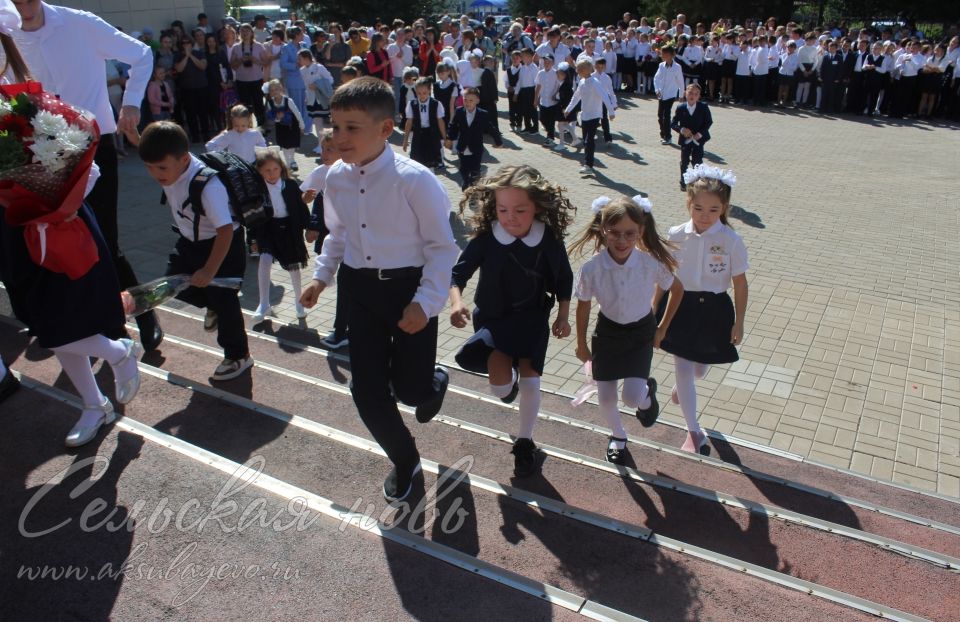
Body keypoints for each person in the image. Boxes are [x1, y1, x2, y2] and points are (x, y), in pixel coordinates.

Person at [299, 77, 459, 503]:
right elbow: (337, 235)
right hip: (360, 293)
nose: (339, 138)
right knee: (366, 391)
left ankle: (431, 383)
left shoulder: (416, 181)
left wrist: (425, 304)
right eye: (334, 127)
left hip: (409, 292)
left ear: (386, 129)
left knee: (411, 391)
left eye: (352, 127)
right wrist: (321, 277)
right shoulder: (335, 177)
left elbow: (443, 248)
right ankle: (405, 461)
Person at [11, 0, 163, 352]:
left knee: (104, 239)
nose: (23, 6)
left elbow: (141, 55)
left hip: (94, 148)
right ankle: (85, 324)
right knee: (54, 242)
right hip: (41, 157)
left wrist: (130, 103)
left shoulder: (80, 24)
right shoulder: (5, 33)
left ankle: (142, 316)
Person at [449, 165, 574, 478]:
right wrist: (457, 302)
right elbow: (457, 274)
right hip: (493, 319)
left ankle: (525, 441)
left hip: (532, 318)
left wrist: (563, 315)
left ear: (537, 207)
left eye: (520, 209)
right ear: (494, 206)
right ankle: (510, 382)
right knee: (500, 388)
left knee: (533, 379)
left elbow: (564, 279)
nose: (511, 217)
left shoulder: (547, 241)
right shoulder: (487, 239)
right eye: (503, 209)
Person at [569, 195, 683, 464]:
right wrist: (581, 343)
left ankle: (646, 395)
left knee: (631, 397)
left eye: (630, 234)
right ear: (603, 230)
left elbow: (676, 289)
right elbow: (583, 306)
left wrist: (662, 327)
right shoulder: (592, 268)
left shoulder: (649, 263)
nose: (622, 241)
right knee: (607, 398)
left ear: (640, 232)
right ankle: (618, 437)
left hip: (640, 333)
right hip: (607, 334)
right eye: (615, 233)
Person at [138, 121, 252, 381]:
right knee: (176, 283)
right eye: (148, 167)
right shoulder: (171, 168)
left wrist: (210, 270)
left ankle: (238, 356)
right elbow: (150, 148)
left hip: (222, 244)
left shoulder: (208, 186)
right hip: (190, 241)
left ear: (184, 159)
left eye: (162, 167)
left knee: (225, 300)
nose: (156, 174)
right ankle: (212, 302)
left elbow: (225, 230)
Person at [656, 164, 748, 455]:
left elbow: (740, 283)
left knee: (699, 369)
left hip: (715, 310)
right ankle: (693, 432)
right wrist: (652, 307)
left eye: (713, 209)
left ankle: (683, 390)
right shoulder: (676, 234)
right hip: (680, 307)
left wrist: (740, 322)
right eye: (698, 208)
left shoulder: (731, 240)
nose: (704, 216)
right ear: (688, 204)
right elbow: (664, 274)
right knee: (684, 369)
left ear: (724, 208)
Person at [250, 147, 310, 324]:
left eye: (275, 169)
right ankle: (263, 303)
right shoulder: (258, 189)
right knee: (264, 261)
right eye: (267, 170)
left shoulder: (290, 185)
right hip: (268, 229)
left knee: (293, 268)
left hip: (289, 230)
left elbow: (301, 209)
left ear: (281, 168)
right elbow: (252, 215)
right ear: (259, 171)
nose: (272, 174)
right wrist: (252, 239)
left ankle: (299, 302)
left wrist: (310, 227)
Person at [300, 131, 349, 349]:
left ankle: (342, 330)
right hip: (332, 234)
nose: (325, 154)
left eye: (331, 149)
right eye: (323, 149)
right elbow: (309, 199)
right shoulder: (321, 172)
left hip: (350, 239)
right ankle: (342, 329)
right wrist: (311, 221)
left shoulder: (350, 173)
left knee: (349, 284)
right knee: (344, 283)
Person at [563, 58, 616, 177]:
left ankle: (588, 165)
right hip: (585, 115)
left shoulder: (595, 82)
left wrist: (611, 112)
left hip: (594, 115)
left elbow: (605, 96)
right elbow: (576, 97)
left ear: (587, 70)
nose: (578, 71)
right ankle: (588, 162)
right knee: (586, 141)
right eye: (577, 69)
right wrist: (568, 109)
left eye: (580, 69)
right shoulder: (582, 82)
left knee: (589, 140)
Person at [445, 87, 503, 190]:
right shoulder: (459, 111)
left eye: (471, 100)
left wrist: (498, 141)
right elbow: (453, 126)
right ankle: (467, 181)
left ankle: (472, 188)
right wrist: (449, 138)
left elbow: (491, 128)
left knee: (475, 170)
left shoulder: (482, 114)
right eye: (465, 100)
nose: (467, 103)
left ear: (477, 101)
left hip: (476, 147)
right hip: (462, 146)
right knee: (463, 169)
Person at [671, 84, 713, 191]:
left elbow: (708, 122)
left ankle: (698, 182)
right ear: (685, 93)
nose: (692, 96)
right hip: (686, 140)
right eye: (690, 93)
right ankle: (684, 181)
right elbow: (673, 123)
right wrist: (681, 130)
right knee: (684, 161)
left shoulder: (703, 107)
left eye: (696, 94)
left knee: (697, 161)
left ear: (699, 96)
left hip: (698, 139)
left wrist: (700, 133)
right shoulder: (681, 107)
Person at [404, 76, 446, 171]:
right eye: (419, 93)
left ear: (429, 91)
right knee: (417, 162)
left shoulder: (436, 104)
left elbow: (440, 121)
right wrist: (405, 139)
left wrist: (444, 137)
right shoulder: (412, 104)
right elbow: (409, 122)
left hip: (432, 135)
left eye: (424, 93)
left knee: (431, 163)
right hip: (418, 135)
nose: (422, 95)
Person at [264, 78, 305, 171]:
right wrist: (277, 118)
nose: (275, 92)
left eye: (276, 89)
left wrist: (301, 125)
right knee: (285, 146)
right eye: (272, 90)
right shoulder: (270, 103)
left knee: (292, 144)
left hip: (292, 126)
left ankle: (292, 160)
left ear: (281, 89)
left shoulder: (288, 100)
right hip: (281, 127)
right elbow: (271, 117)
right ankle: (288, 162)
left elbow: (297, 113)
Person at [231, 24, 267, 127]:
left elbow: (266, 62)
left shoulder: (259, 46)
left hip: (256, 80)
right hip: (242, 81)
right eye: (242, 31)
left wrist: (254, 60)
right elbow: (232, 65)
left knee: (258, 103)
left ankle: (261, 125)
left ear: (252, 33)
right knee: (244, 105)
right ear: (239, 33)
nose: (245, 33)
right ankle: (246, 125)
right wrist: (240, 60)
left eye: (247, 31)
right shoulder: (236, 47)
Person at [299, 48, 333, 138]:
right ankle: (320, 144)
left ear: (306, 58)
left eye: (300, 59)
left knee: (322, 122)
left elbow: (330, 79)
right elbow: (305, 86)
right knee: (317, 122)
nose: (299, 61)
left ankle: (322, 144)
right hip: (311, 99)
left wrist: (317, 85)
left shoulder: (319, 67)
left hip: (321, 99)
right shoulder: (302, 70)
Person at [654, 45, 684, 144]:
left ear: (672, 55)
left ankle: (668, 137)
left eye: (666, 54)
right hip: (661, 94)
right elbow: (656, 78)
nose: (663, 56)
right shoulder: (661, 65)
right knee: (660, 115)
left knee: (666, 116)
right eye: (663, 54)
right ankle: (663, 134)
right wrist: (657, 89)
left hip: (670, 95)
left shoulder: (677, 67)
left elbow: (681, 82)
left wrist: (681, 95)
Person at [280, 27, 308, 133]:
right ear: (296, 35)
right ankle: (296, 128)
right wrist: (296, 64)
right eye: (301, 33)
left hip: (305, 79)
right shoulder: (286, 48)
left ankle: (305, 127)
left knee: (305, 105)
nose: (303, 35)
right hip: (293, 80)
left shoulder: (304, 45)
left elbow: (311, 58)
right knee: (296, 105)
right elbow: (283, 63)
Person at [534, 53, 560, 146]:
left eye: (549, 62)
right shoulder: (540, 73)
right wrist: (535, 99)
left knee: (551, 120)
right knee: (542, 118)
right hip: (543, 101)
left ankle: (550, 138)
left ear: (553, 63)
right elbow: (538, 86)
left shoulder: (556, 73)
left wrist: (555, 94)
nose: (546, 63)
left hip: (552, 102)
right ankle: (550, 133)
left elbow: (558, 86)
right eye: (545, 61)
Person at [516, 47, 539, 133]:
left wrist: (537, 96)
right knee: (525, 110)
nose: (522, 58)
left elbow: (537, 83)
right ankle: (527, 126)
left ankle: (535, 128)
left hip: (531, 91)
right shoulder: (522, 68)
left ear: (530, 56)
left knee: (532, 110)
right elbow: (520, 81)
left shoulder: (534, 68)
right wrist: (516, 93)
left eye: (524, 56)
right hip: (523, 91)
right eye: (522, 56)